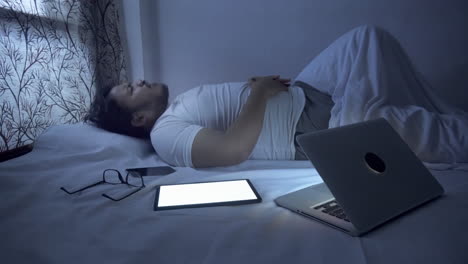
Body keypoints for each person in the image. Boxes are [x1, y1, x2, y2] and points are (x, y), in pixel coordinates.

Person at [86, 25, 468, 168]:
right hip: (316, 128)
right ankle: (423, 126)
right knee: (426, 130)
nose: (137, 81)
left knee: (368, 39)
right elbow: (230, 151)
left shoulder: (176, 106)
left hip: (307, 90)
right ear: (138, 119)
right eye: (129, 90)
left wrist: (265, 90)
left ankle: (406, 113)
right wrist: (261, 92)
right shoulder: (164, 134)